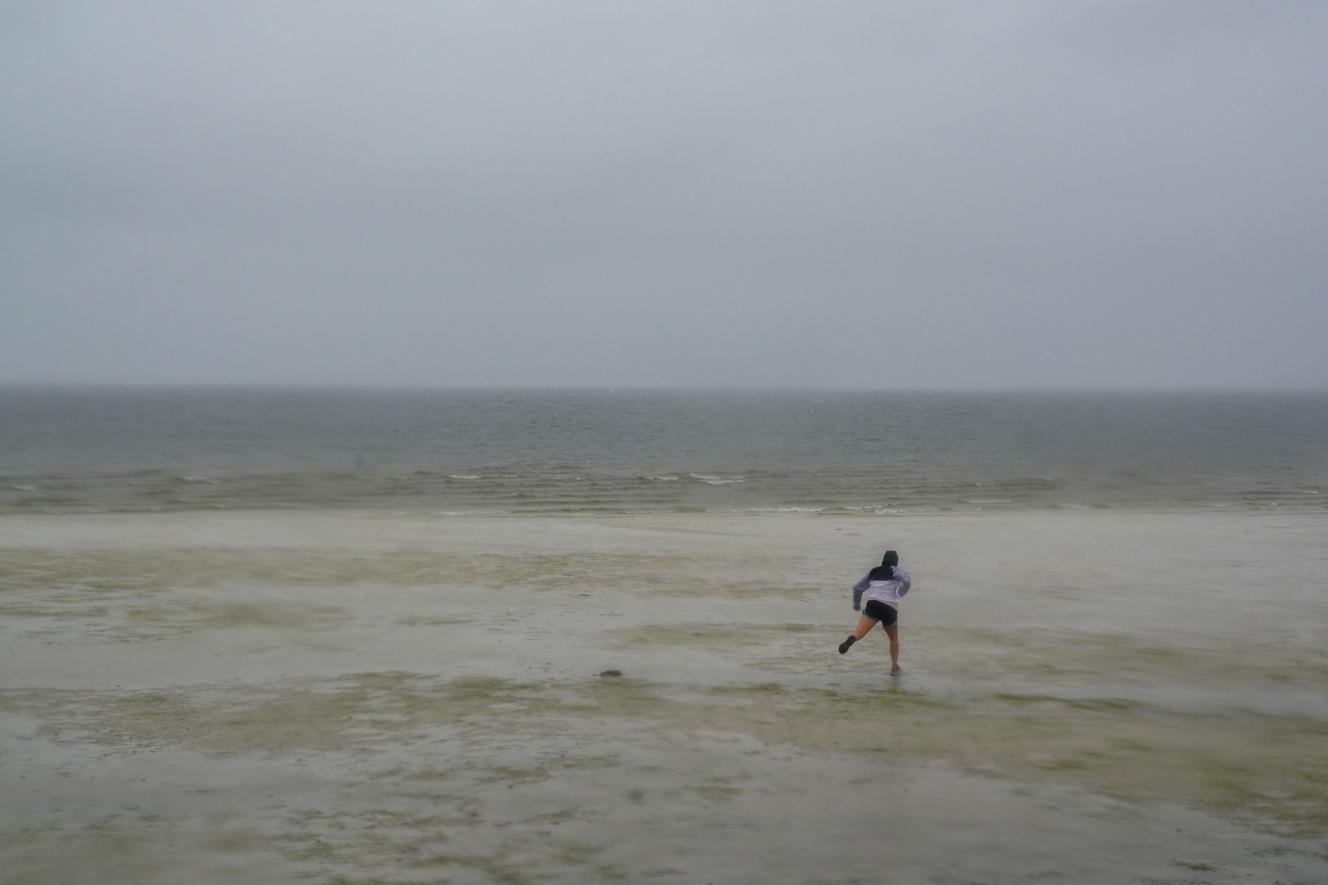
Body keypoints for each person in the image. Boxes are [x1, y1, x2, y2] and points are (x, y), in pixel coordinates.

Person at [838, 549, 911, 675]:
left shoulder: (873, 571)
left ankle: (851, 639)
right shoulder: (896, 570)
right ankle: (894, 668)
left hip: (874, 604)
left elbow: (857, 588)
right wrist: (900, 592)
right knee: (893, 639)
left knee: (859, 633)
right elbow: (907, 581)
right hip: (890, 608)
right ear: (896, 561)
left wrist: (856, 604)